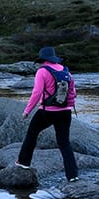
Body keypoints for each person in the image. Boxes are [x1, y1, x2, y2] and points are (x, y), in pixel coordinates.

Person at [15, 46, 79, 182]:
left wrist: (27, 111)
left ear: (42, 59)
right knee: (64, 143)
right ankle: (73, 175)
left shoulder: (42, 71)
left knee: (32, 133)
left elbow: (37, 93)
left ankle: (23, 163)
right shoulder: (66, 70)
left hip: (47, 111)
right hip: (65, 112)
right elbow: (73, 92)